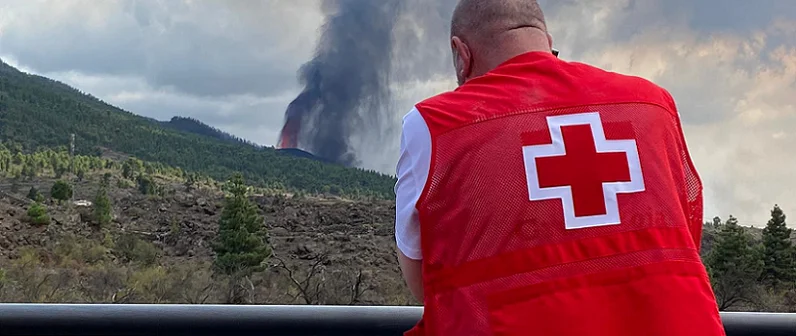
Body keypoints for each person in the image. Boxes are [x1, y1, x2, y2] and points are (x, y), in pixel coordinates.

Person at [393, 0, 727, 335]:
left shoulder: (434, 125)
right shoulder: (653, 103)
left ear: (461, 54)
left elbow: (424, 280)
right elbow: (685, 231)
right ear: (546, 40)